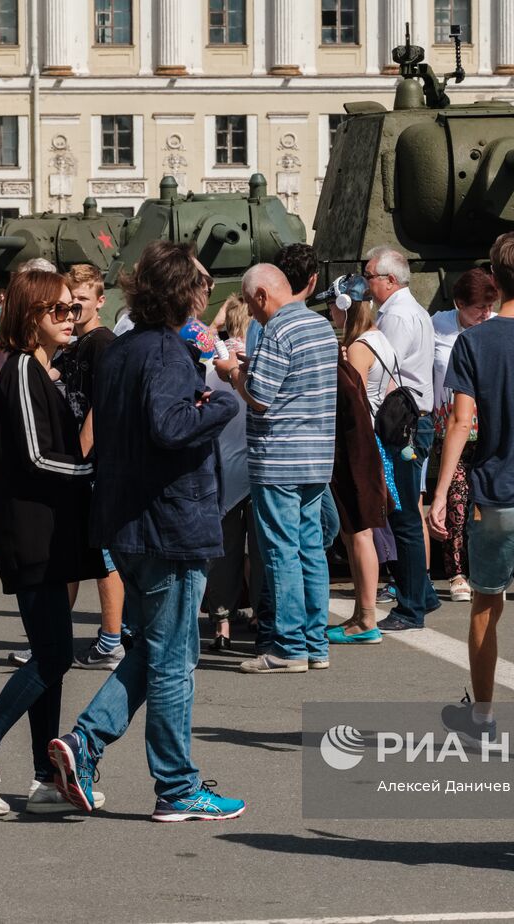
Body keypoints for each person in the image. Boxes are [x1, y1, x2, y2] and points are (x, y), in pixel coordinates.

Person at [49, 240, 246, 823]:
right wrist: (222, 406)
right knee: (173, 661)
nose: (207, 296)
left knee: (160, 647)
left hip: (130, 521)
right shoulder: (162, 351)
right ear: (183, 293)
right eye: (202, 287)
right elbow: (169, 424)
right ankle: (177, 787)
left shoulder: (125, 349)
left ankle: (84, 741)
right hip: (169, 523)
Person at [0, 268, 106, 817]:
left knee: (52, 654)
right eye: (58, 309)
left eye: (72, 308)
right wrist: (95, 475)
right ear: (31, 317)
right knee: (53, 654)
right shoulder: (24, 372)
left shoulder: (39, 370)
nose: (70, 317)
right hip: (32, 530)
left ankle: (43, 777)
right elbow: (37, 457)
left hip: (48, 528)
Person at [429, 230, 514, 743]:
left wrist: (441, 493)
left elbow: (461, 423)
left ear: (494, 276)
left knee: (487, 603)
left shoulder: (473, 341)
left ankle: (482, 717)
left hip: (495, 489)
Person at [216, 263, 337, 673]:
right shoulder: (319, 325)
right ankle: (315, 643)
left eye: (252, 305)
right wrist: (254, 366)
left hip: (279, 457)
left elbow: (261, 398)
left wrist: (232, 372)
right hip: (316, 457)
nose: (253, 313)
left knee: (281, 551)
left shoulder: (278, 330)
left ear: (263, 296)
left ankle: (287, 647)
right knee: (310, 550)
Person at [53, 264, 128, 671]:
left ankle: (110, 642)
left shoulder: (101, 343)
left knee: (102, 557)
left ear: (100, 301)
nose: (74, 308)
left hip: (95, 467)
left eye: (81, 300)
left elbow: (102, 405)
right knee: (70, 554)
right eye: (68, 302)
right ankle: (55, 640)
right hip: (82, 467)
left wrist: (79, 457)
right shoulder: (76, 345)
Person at [365, 246, 440, 631]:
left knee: (404, 517)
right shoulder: (412, 310)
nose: (366, 284)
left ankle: (411, 607)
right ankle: (422, 594)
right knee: (406, 513)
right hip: (412, 422)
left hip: (400, 424)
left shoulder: (397, 315)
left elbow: (378, 371)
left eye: (370, 277)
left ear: (390, 280)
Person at [326, 280, 398, 645]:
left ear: (345, 305)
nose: (330, 311)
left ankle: (365, 617)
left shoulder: (357, 347)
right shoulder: (379, 338)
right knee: (360, 531)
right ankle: (362, 614)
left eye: (333, 305)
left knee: (358, 532)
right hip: (372, 442)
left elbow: (351, 399)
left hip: (357, 443)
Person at [431, 268, 498, 603]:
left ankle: (487, 570)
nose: (485, 314)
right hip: (451, 425)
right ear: (459, 303)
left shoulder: (496, 326)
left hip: (489, 427)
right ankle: (457, 572)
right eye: (477, 309)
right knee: (456, 500)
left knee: (487, 503)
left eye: (489, 307)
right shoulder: (437, 326)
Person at [201, 293, 252, 651]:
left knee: (223, 549)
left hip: (221, 464)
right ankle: (265, 615)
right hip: (259, 464)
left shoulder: (211, 362)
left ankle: (221, 623)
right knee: (261, 550)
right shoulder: (257, 357)